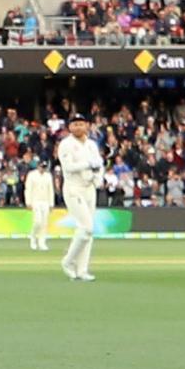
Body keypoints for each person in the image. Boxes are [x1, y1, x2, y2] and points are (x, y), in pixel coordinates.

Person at [56, 115, 102, 281]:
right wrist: (88, 164)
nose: (78, 127)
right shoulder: (66, 145)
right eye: (74, 124)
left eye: (81, 124)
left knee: (88, 233)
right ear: (70, 127)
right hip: (74, 188)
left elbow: (99, 164)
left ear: (87, 126)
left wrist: (98, 178)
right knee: (86, 227)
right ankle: (68, 261)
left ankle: (82, 270)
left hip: (90, 189)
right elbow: (68, 167)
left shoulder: (91, 145)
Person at [23, 158, 55, 251]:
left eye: (44, 167)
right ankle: (33, 238)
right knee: (38, 222)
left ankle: (42, 242)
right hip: (35, 201)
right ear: (38, 166)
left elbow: (51, 190)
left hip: (45, 201)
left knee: (44, 223)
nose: (43, 169)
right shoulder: (32, 175)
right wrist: (28, 202)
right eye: (41, 167)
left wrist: (51, 203)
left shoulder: (48, 176)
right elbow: (28, 189)